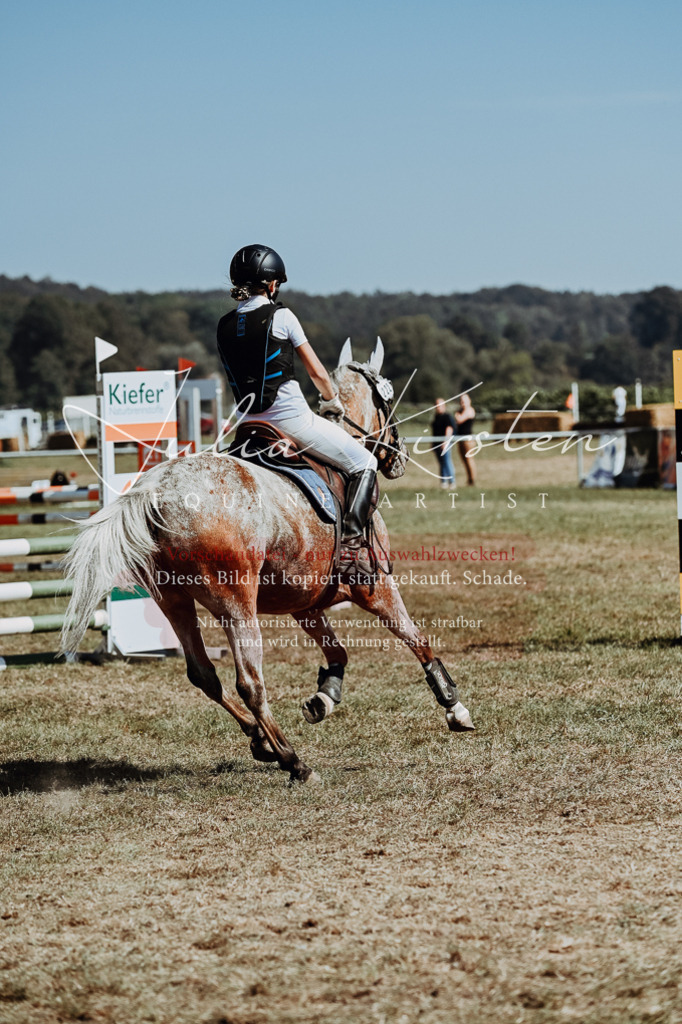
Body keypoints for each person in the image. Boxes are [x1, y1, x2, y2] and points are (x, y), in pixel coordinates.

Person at [217, 244, 378, 575]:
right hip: (291, 421)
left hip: (246, 426)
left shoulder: (224, 325)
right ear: (272, 283)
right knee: (365, 463)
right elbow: (317, 373)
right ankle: (351, 548)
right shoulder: (282, 316)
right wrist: (331, 400)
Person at [430, 399, 456, 488]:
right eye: (436, 405)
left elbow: (449, 429)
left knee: (447, 462)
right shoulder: (436, 417)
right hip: (437, 443)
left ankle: (452, 482)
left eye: (440, 405)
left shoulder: (447, 416)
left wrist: (445, 442)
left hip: (445, 443)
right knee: (441, 463)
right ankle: (444, 482)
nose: (438, 407)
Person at [454, 393, 476, 486]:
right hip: (461, 438)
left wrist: (456, 415)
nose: (462, 403)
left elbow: (459, 420)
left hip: (468, 439)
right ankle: (469, 479)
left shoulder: (469, 410)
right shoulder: (461, 411)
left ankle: (472, 479)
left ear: (469, 401)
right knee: (464, 460)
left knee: (469, 459)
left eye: (464, 401)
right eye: (461, 401)